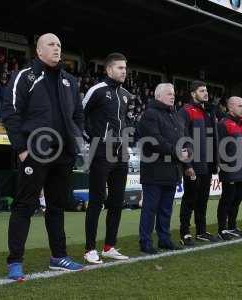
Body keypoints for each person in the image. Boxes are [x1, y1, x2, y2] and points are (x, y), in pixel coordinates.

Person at [2, 33, 84, 280]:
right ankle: (15, 261)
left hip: (64, 156)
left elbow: (77, 116)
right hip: (34, 152)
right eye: (51, 44)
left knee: (57, 207)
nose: (57, 48)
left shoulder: (69, 81)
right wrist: (22, 149)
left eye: (59, 44)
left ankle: (58, 256)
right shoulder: (24, 77)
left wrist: (75, 145)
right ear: (38, 50)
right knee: (25, 206)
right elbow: (10, 113)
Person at [83, 53, 132, 264]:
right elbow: (79, 114)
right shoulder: (97, 90)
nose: (124, 71)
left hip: (120, 152)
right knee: (96, 200)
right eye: (120, 67)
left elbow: (123, 122)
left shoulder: (126, 95)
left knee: (117, 201)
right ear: (109, 69)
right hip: (101, 150)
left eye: (125, 68)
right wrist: (92, 140)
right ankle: (89, 248)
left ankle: (109, 246)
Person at [137, 83, 187, 254]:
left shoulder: (176, 116)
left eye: (173, 93)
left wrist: (188, 152)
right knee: (150, 208)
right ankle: (146, 242)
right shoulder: (150, 114)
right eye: (168, 94)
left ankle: (164, 239)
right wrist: (177, 151)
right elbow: (154, 140)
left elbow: (184, 138)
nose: (173, 96)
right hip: (155, 170)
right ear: (158, 96)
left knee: (166, 209)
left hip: (172, 170)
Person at [178, 81, 219, 246]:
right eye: (202, 91)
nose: (206, 93)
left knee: (203, 199)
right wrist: (187, 165)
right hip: (194, 164)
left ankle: (201, 231)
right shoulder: (186, 111)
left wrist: (215, 161)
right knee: (190, 198)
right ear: (193, 93)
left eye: (206, 90)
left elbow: (213, 139)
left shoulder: (209, 112)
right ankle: (185, 232)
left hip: (207, 164)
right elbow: (182, 138)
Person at [217, 97, 242, 240]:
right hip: (230, 170)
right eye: (240, 106)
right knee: (227, 199)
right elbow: (218, 147)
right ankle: (222, 229)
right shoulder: (223, 124)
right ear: (230, 108)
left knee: (237, 199)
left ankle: (232, 226)